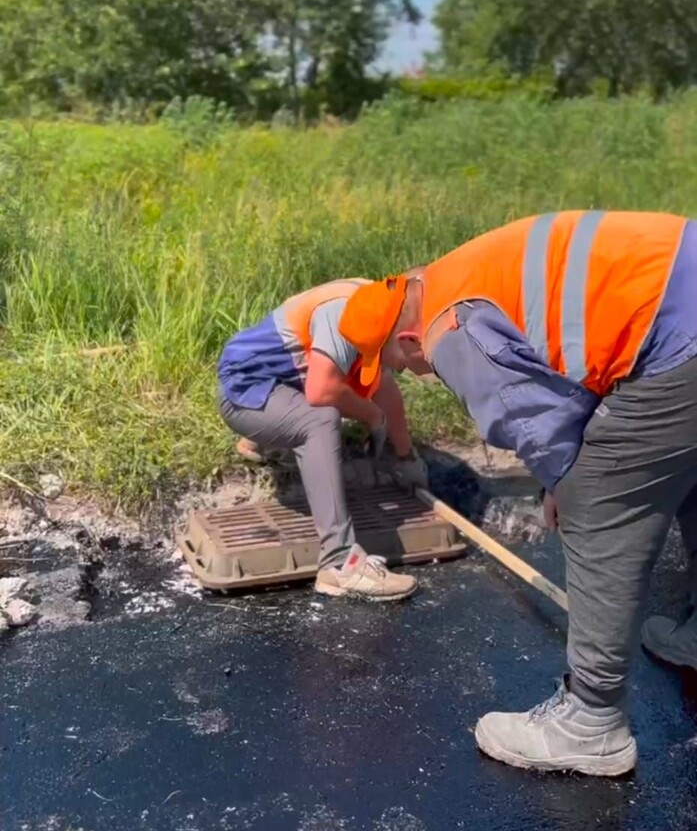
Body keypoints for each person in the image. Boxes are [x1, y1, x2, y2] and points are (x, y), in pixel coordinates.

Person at [339, 211, 697, 776]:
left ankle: (590, 723)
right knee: (687, 467)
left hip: (677, 341)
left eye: (400, 366)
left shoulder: (448, 329)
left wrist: (563, 482)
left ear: (406, 338)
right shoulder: (456, 272)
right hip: (680, 297)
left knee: (598, 499)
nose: (413, 372)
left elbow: (531, 416)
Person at [217, 276, 428, 602]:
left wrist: (406, 459)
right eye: (411, 361)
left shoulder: (377, 310)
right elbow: (320, 390)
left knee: (352, 384)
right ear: (407, 336)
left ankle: (266, 439)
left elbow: (384, 388)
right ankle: (339, 563)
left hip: (275, 381)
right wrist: (373, 417)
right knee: (321, 417)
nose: (409, 369)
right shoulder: (344, 313)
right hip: (245, 392)